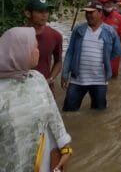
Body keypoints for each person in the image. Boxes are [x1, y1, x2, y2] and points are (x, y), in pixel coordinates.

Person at [0, 27, 72, 171]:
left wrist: (64, 145)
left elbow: (53, 114)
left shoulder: (37, 78)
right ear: (18, 52)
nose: (38, 52)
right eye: (34, 48)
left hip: (42, 160)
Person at [61, 0, 121, 111]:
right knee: (68, 111)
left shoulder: (110, 31)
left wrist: (106, 60)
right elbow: (70, 52)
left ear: (100, 13)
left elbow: (117, 51)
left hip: (99, 80)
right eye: (86, 12)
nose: (88, 15)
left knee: (98, 113)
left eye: (91, 12)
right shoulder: (78, 30)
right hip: (77, 79)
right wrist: (65, 73)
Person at [24, 0, 63, 96]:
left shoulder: (56, 36)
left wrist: (50, 79)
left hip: (44, 86)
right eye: (40, 11)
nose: (44, 15)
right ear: (28, 13)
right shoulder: (18, 35)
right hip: (22, 86)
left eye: (46, 11)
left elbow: (58, 61)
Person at [98, 0, 121, 78]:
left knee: (113, 73)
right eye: (106, 3)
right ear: (101, 5)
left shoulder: (119, 17)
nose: (109, 4)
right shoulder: (97, 17)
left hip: (114, 49)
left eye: (110, 2)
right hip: (99, 48)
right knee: (100, 73)